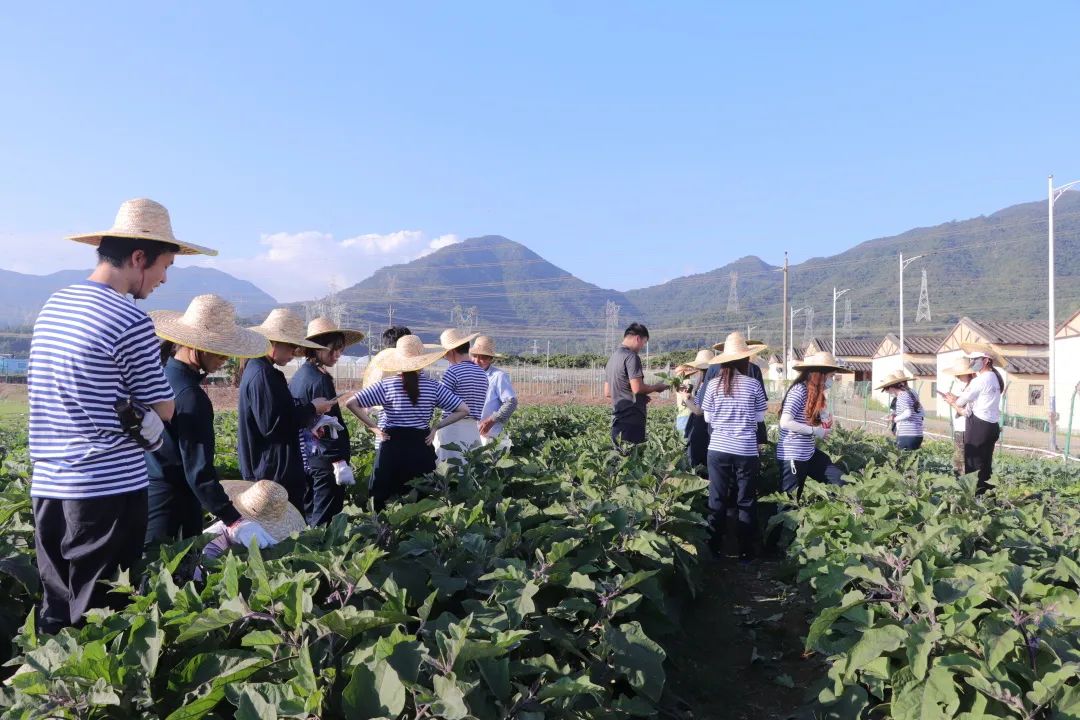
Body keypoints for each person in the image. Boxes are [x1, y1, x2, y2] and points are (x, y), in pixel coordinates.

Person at [28, 198, 216, 633]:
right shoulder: (129, 318)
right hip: (105, 489)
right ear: (138, 258)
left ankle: (52, 696)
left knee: (57, 609)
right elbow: (164, 407)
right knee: (101, 617)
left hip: (51, 483)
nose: (164, 278)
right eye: (164, 266)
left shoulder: (55, 305)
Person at [145, 294, 272, 552]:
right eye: (219, 348)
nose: (225, 357)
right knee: (174, 578)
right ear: (195, 346)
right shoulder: (191, 396)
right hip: (175, 505)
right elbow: (198, 471)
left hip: (148, 496)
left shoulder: (160, 376)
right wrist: (233, 519)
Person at [344, 336, 470, 510]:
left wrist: (374, 428)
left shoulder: (386, 385)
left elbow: (351, 403)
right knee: (422, 503)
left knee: (382, 501)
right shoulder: (433, 386)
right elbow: (464, 409)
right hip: (420, 446)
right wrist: (436, 427)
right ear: (423, 361)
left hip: (391, 446)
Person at [679, 334, 767, 561]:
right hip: (746, 450)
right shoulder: (753, 384)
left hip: (717, 448)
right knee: (746, 501)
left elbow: (706, 417)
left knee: (716, 499)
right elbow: (759, 418)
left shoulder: (714, 384)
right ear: (745, 360)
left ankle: (714, 549)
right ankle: (746, 551)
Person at [239, 309, 334, 513]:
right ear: (273, 343)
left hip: (272, 470)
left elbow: (279, 414)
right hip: (272, 473)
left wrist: (308, 418)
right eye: (291, 346)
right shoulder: (262, 374)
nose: (294, 352)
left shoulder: (262, 370)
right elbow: (274, 425)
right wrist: (312, 408)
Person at [289, 317, 366, 526]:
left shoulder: (302, 375)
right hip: (324, 461)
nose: (337, 355)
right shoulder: (319, 379)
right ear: (316, 348)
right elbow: (326, 425)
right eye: (333, 349)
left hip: (307, 457)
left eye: (340, 349)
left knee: (310, 512)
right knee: (325, 520)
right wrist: (338, 461)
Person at [776, 351, 853, 499]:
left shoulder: (816, 394)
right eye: (831, 376)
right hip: (794, 455)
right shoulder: (799, 390)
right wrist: (815, 431)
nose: (832, 380)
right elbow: (785, 422)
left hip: (808, 453)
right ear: (820, 375)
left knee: (841, 481)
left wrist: (824, 419)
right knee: (789, 501)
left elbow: (817, 420)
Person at [942, 344, 1005, 492]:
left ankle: (975, 498)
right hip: (992, 425)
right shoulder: (994, 377)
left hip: (979, 425)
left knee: (973, 465)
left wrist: (952, 401)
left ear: (986, 360)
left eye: (975, 359)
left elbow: (960, 402)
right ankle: (987, 497)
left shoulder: (980, 380)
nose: (972, 363)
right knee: (985, 464)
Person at [604, 323, 667, 449]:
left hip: (618, 419)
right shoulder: (631, 357)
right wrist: (656, 387)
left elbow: (608, 392)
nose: (642, 346)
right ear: (638, 338)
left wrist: (639, 397)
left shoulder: (612, 358)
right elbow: (637, 388)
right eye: (644, 342)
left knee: (620, 461)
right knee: (633, 460)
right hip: (632, 419)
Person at [434, 328, 487, 463]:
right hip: (472, 430)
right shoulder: (482, 374)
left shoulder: (452, 371)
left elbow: (439, 399)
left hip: (452, 429)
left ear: (451, 351)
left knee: (447, 472)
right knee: (470, 472)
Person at [470, 336, 518, 450]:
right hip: (469, 432)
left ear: (491, 359)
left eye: (483, 357)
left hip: (489, 435)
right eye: (475, 356)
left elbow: (511, 402)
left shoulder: (498, 376)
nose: (477, 361)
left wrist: (492, 419)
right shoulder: (469, 374)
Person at [943, 357, 977, 477]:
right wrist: (955, 399)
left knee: (961, 461)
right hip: (962, 428)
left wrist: (953, 402)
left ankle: (963, 485)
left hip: (966, 428)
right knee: (959, 459)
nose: (957, 377)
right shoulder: (968, 386)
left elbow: (968, 410)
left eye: (959, 374)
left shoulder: (973, 386)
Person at [877, 371, 924, 450]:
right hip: (917, 434)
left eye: (886, 390)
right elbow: (921, 412)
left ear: (891, 387)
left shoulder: (902, 396)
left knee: (903, 459)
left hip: (907, 434)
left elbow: (908, 413)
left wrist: (894, 419)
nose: (888, 393)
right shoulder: (912, 393)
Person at [674, 350, 714, 436]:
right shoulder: (706, 382)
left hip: (688, 416)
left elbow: (698, 410)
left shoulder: (681, 383)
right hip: (690, 416)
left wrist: (686, 397)